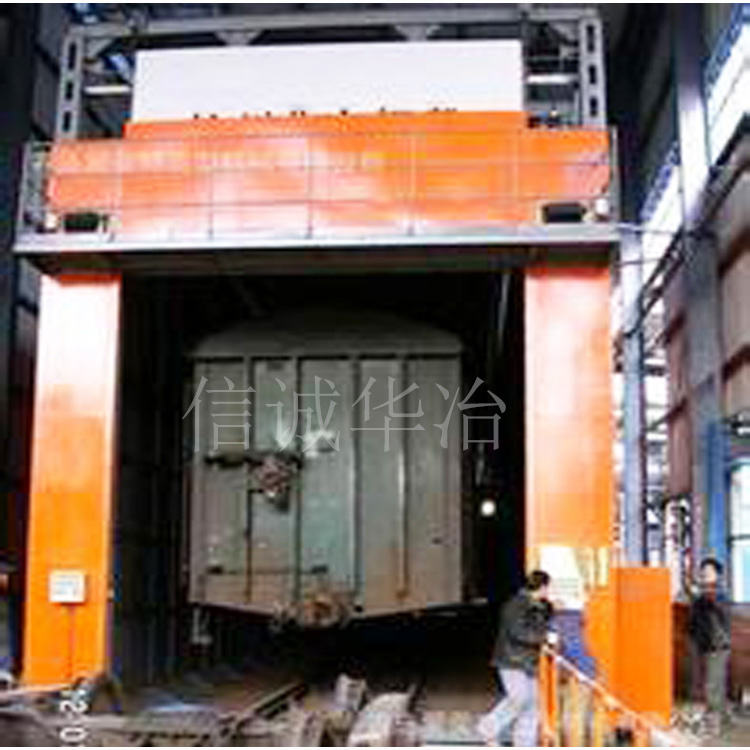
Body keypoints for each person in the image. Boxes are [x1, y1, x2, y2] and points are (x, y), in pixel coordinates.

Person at [477, 570, 554, 746]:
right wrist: (545, 637)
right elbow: (518, 632)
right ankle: (487, 729)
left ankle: (524, 743)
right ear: (542, 587)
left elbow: (538, 624)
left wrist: (549, 609)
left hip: (528, 662)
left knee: (534, 704)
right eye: (548, 587)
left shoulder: (536, 604)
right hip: (512, 660)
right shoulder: (516, 604)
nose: (549, 591)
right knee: (519, 698)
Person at [688, 557, 731, 734]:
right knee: (710, 684)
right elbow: (695, 616)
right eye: (703, 570)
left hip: (717, 646)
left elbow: (715, 605)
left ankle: (714, 724)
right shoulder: (701, 592)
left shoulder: (720, 593)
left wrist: (700, 594)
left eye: (709, 570)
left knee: (713, 685)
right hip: (702, 644)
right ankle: (721, 717)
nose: (705, 573)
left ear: (717, 574)